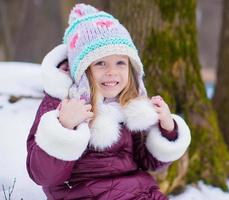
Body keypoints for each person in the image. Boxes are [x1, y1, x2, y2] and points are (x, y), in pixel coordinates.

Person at [26, 3, 191, 200]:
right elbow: (43, 175)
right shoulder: (63, 105)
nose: (112, 71)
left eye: (120, 62)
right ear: (83, 70)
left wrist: (166, 128)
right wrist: (64, 127)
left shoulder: (129, 104)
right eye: (100, 63)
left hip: (142, 193)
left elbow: (148, 162)